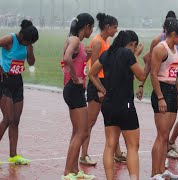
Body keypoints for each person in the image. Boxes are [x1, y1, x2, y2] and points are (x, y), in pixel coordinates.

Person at [137, 10, 178, 169]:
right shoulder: (159, 43)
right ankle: (162, 156)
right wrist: (141, 85)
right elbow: (150, 65)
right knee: (163, 129)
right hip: (164, 81)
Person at [88, 30, 145, 180]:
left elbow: (92, 73)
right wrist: (136, 56)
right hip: (125, 105)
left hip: (109, 105)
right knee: (132, 146)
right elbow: (142, 75)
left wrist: (102, 89)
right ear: (131, 44)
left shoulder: (107, 54)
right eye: (134, 46)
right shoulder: (128, 54)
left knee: (110, 145)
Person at [80, 12, 126, 166]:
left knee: (113, 119)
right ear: (107, 27)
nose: (116, 30)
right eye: (114, 27)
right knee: (90, 122)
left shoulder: (106, 42)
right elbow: (93, 69)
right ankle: (83, 155)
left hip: (106, 84)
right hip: (97, 84)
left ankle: (117, 153)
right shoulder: (97, 42)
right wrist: (100, 89)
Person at [150, 18, 178, 180]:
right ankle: (154, 172)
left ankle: (162, 169)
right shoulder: (160, 48)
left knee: (166, 135)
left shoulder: (176, 49)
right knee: (162, 135)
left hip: (172, 91)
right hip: (162, 91)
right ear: (173, 34)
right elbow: (153, 74)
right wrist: (160, 97)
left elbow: (175, 73)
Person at [61, 13, 95, 180]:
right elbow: (67, 58)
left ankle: (74, 170)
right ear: (86, 26)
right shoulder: (74, 40)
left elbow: (74, 61)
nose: (92, 31)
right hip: (73, 89)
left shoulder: (76, 42)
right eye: (92, 27)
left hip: (74, 90)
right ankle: (67, 172)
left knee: (77, 131)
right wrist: (75, 78)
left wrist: (86, 56)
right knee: (82, 132)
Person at [0, 19, 38, 165]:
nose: (27, 44)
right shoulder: (10, 39)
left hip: (17, 82)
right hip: (4, 81)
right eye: (27, 42)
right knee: (8, 119)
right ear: (21, 36)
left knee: (15, 120)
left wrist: (30, 50)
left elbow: (32, 63)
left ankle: (13, 155)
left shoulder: (27, 45)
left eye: (30, 43)